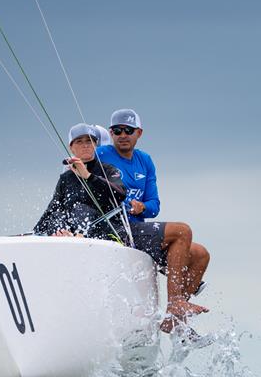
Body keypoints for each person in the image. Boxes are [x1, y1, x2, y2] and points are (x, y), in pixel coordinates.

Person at [96, 109, 211, 334]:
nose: (122, 135)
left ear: (139, 133)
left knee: (200, 255)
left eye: (128, 130)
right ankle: (175, 302)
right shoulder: (102, 154)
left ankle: (176, 322)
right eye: (117, 130)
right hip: (117, 229)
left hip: (139, 229)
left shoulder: (145, 161)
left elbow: (154, 205)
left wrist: (143, 207)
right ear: (110, 133)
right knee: (182, 231)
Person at [34, 124, 127, 239]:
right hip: (73, 236)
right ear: (71, 147)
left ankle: (76, 239)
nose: (85, 145)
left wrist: (88, 176)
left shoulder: (108, 169)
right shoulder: (66, 178)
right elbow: (52, 209)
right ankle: (64, 238)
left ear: (95, 145)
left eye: (89, 141)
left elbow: (121, 194)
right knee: (56, 215)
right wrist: (37, 232)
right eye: (79, 142)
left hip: (107, 232)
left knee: (80, 209)